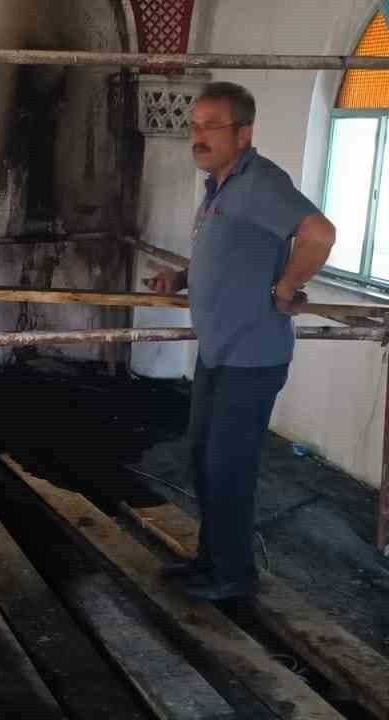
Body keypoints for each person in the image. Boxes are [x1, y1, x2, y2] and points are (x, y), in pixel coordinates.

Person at [145, 82, 336, 600]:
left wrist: (287, 286)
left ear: (244, 133)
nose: (199, 136)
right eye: (195, 125)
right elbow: (226, 253)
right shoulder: (220, 186)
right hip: (219, 352)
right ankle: (211, 560)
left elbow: (319, 233)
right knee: (205, 461)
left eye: (212, 127)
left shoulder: (260, 183)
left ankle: (233, 575)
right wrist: (180, 278)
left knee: (228, 468)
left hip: (251, 358)